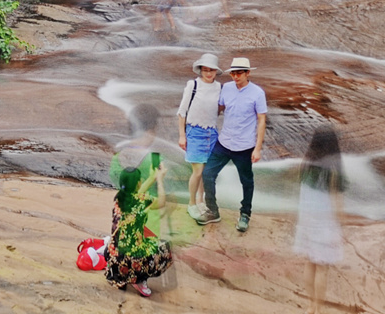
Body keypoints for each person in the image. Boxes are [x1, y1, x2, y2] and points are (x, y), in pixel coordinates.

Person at [105, 104, 173, 298]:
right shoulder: (152, 157)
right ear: (151, 131)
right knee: (155, 248)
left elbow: (116, 178)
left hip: (127, 222)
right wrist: (157, 179)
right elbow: (159, 200)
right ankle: (139, 279)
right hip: (147, 218)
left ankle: (118, 269)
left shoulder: (119, 157)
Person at [197, 56, 267, 233]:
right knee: (207, 174)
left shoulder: (257, 93)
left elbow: (261, 120)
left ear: (247, 73)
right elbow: (218, 109)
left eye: (239, 73)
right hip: (224, 141)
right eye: (233, 73)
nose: (235, 76)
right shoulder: (226, 88)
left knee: (246, 181)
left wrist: (258, 148)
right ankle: (212, 210)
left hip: (244, 146)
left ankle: (245, 214)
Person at [294, 126, 347, 314]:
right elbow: (336, 201)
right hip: (325, 224)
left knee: (310, 263)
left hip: (308, 221)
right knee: (323, 269)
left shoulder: (306, 163)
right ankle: (319, 308)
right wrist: (341, 222)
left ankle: (311, 306)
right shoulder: (333, 169)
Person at [176, 52, 222, 220]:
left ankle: (201, 201)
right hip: (195, 131)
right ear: (201, 70)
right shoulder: (193, 85)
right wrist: (182, 135)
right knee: (198, 170)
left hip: (212, 133)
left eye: (212, 70)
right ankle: (191, 203)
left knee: (206, 171)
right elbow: (182, 111)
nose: (208, 73)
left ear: (216, 71)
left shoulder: (218, 87)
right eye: (205, 70)